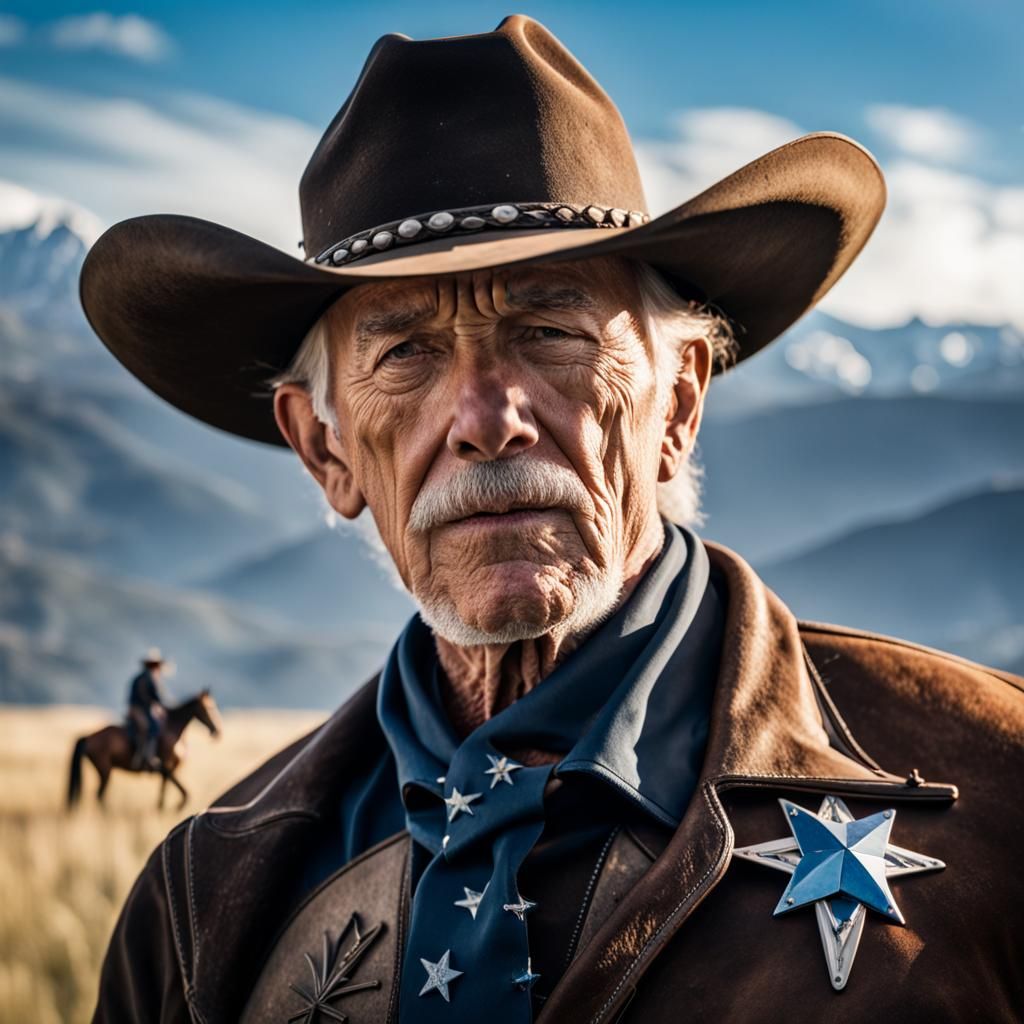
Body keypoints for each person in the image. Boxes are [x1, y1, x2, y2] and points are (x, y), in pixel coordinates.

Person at [80, 15, 1023, 1023]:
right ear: (325, 448)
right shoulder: (204, 899)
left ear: (678, 404)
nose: (488, 421)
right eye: (406, 354)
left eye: (550, 333)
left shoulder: (996, 798)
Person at [126, 647, 170, 770]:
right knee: (153, 727)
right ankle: (148, 757)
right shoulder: (148, 678)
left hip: (137, 708)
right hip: (140, 709)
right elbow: (156, 697)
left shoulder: (140, 678)